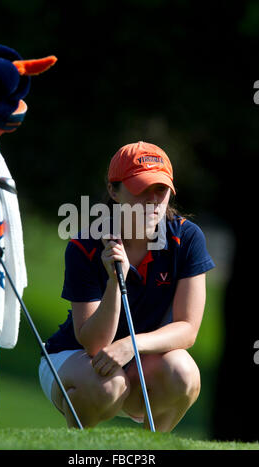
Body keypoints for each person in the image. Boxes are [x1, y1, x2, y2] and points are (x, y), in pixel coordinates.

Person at [39, 141, 215, 431]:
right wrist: (113, 280)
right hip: (77, 360)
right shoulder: (85, 246)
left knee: (184, 373)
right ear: (113, 191)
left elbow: (187, 328)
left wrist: (132, 345)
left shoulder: (187, 238)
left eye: (160, 189)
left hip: (139, 362)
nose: (153, 199)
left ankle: (147, 452)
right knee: (109, 385)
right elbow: (94, 344)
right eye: (141, 188)